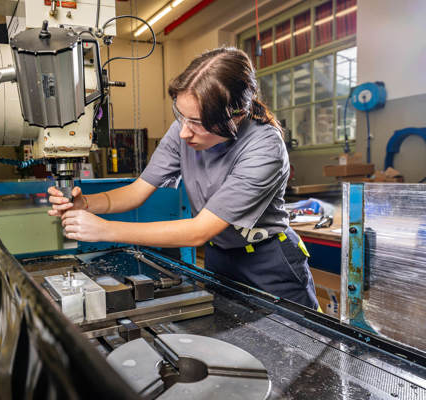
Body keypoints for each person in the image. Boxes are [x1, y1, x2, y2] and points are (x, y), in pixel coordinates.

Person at [47, 47, 318, 309]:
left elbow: (199, 231)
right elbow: (137, 191)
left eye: (198, 123)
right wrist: (87, 204)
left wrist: (105, 230)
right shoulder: (184, 130)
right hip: (219, 258)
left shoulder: (263, 148)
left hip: (268, 261)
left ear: (236, 116)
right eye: (181, 116)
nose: (184, 132)